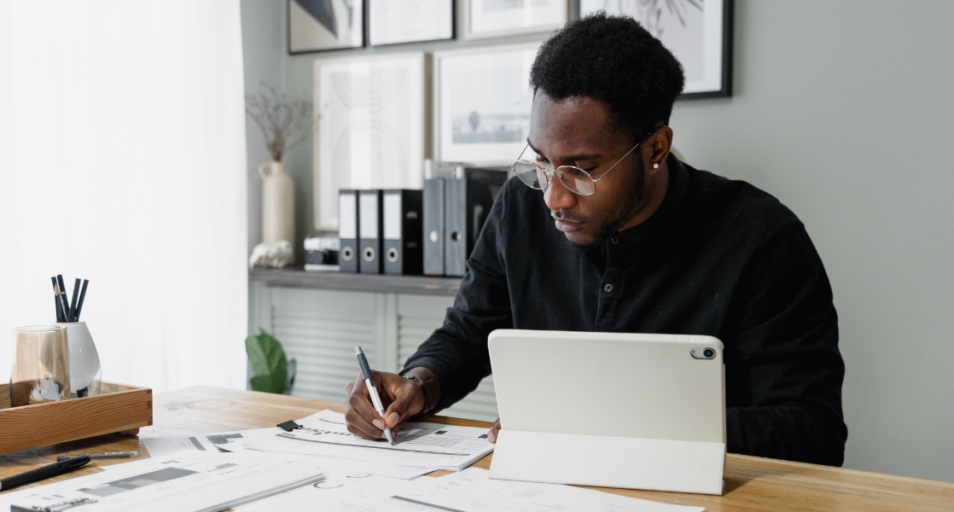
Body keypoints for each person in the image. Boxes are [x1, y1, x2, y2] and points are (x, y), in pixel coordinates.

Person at [344, 14, 847, 466]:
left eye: (581, 171)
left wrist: (610, 431)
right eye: (541, 162)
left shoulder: (763, 241)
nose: (553, 199)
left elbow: (812, 431)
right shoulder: (519, 207)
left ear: (655, 148)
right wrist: (419, 383)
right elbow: (468, 335)